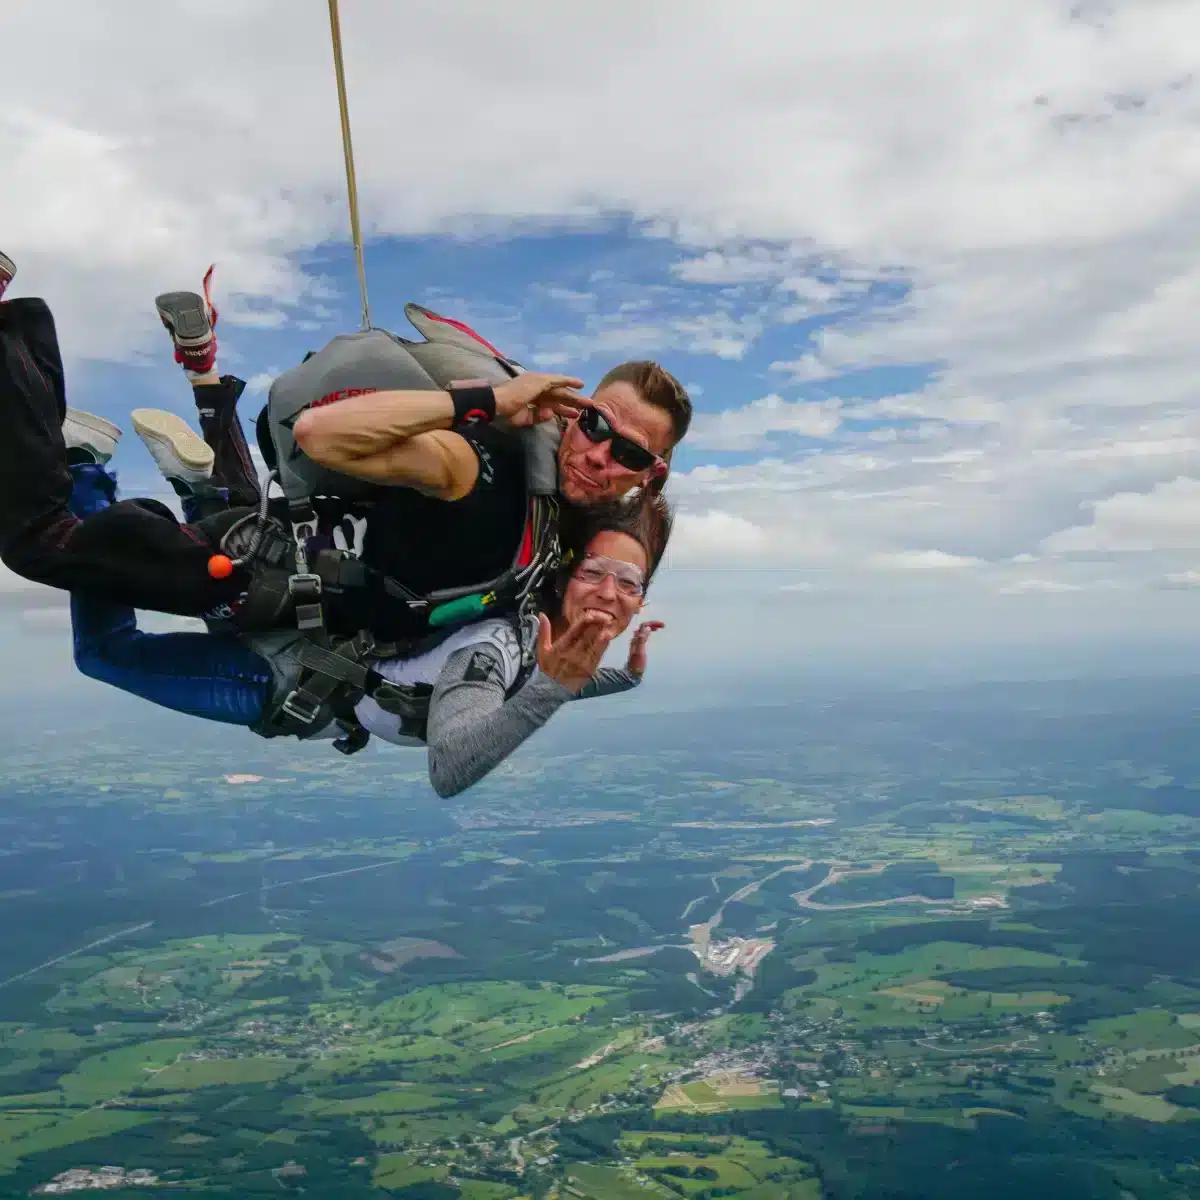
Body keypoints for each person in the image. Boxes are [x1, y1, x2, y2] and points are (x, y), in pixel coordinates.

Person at [0, 270, 692, 644]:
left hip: (280, 543)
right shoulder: (483, 461)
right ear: (575, 408)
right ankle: (16, 345)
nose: (601, 452)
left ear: (650, 471)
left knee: (235, 500)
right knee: (39, 541)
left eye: (627, 450)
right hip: (251, 579)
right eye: (596, 425)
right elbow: (320, 436)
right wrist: (486, 400)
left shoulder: (571, 527)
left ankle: (204, 377)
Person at [63, 425, 669, 797]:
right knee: (104, 654)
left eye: (629, 583)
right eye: (595, 573)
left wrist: (623, 679)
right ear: (564, 574)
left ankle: (197, 486)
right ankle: (82, 469)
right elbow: (451, 765)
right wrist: (559, 686)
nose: (610, 595)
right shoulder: (496, 646)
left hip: (302, 639)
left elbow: (545, 681)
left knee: (214, 571)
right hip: (277, 682)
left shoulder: (532, 630)